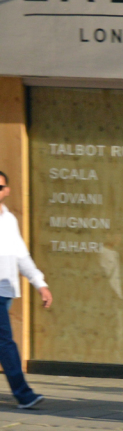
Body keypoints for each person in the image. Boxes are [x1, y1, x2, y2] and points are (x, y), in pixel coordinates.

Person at [0, 170, 53, 409]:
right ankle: (24, 394)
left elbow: (21, 255)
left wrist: (40, 284)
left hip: (7, 289)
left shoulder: (9, 219)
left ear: (7, 191)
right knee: (5, 342)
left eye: (0, 188)